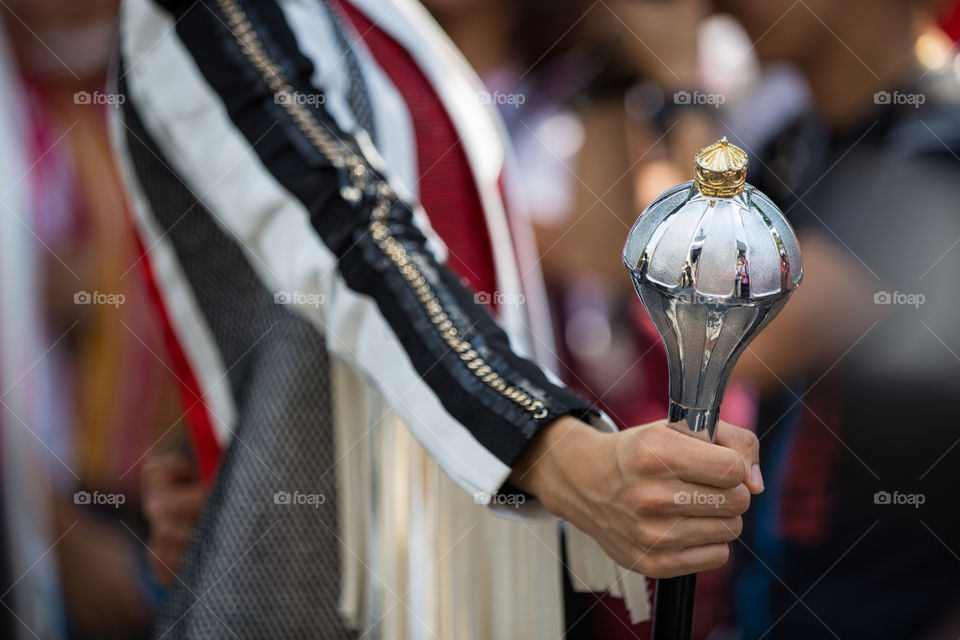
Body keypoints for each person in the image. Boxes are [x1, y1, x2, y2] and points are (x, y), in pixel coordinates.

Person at [115, 0, 764, 637]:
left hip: (488, 568)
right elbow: (353, 237)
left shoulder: (398, 24)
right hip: (318, 583)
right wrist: (569, 460)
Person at [713, 0, 960, 637]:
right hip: (772, 604)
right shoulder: (794, 137)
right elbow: (597, 265)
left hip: (899, 610)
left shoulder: (945, 132)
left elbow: (749, 341)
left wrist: (678, 96)